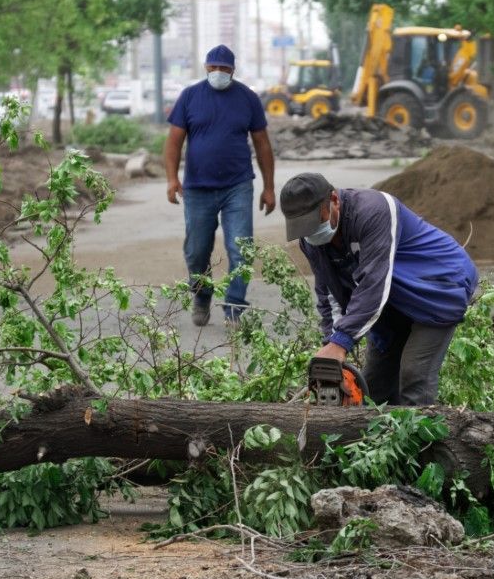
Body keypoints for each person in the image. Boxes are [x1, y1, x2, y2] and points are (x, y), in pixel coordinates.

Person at [279, 172, 478, 406]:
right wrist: (331, 347)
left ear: (333, 200)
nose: (310, 231)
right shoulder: (311, 241)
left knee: (414, 377)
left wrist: (342, 341)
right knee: (374, 388)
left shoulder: (374, 210)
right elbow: (329, 293)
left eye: (314, 221)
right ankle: (383, 441)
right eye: (303, 226)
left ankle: (422, 441)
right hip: (391, 302)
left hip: (437, 287)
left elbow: (374, 283)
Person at [165, 45, 276, 326]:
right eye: (212, 67)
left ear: (232, 71)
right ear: (205, 67)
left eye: (223, 68)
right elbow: (174, 141)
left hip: (237, 186)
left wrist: (269, 187)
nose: (217, 72)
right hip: (198, 188)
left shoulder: (247, 98)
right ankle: (202, 296)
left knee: (241, 248)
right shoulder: (190, 97)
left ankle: (234, 308)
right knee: (196, 250)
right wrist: (171, 179)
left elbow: (262, 144)